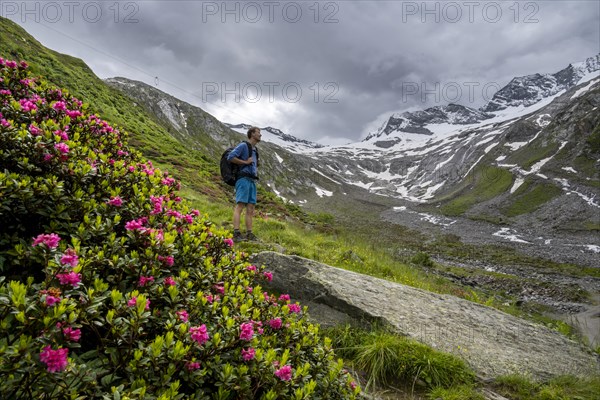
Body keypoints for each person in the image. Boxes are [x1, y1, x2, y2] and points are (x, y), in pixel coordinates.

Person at [227, 127, 262, 242]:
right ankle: (236, 233)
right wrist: (245, 162)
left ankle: (249, 233)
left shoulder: (255, 150)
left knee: (251, 208)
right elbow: (230, 157)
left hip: (252, 181)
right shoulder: (243, 146)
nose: (260, 135)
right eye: (258, 133)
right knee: (240, 205)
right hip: (242, 179)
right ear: (252, 134)